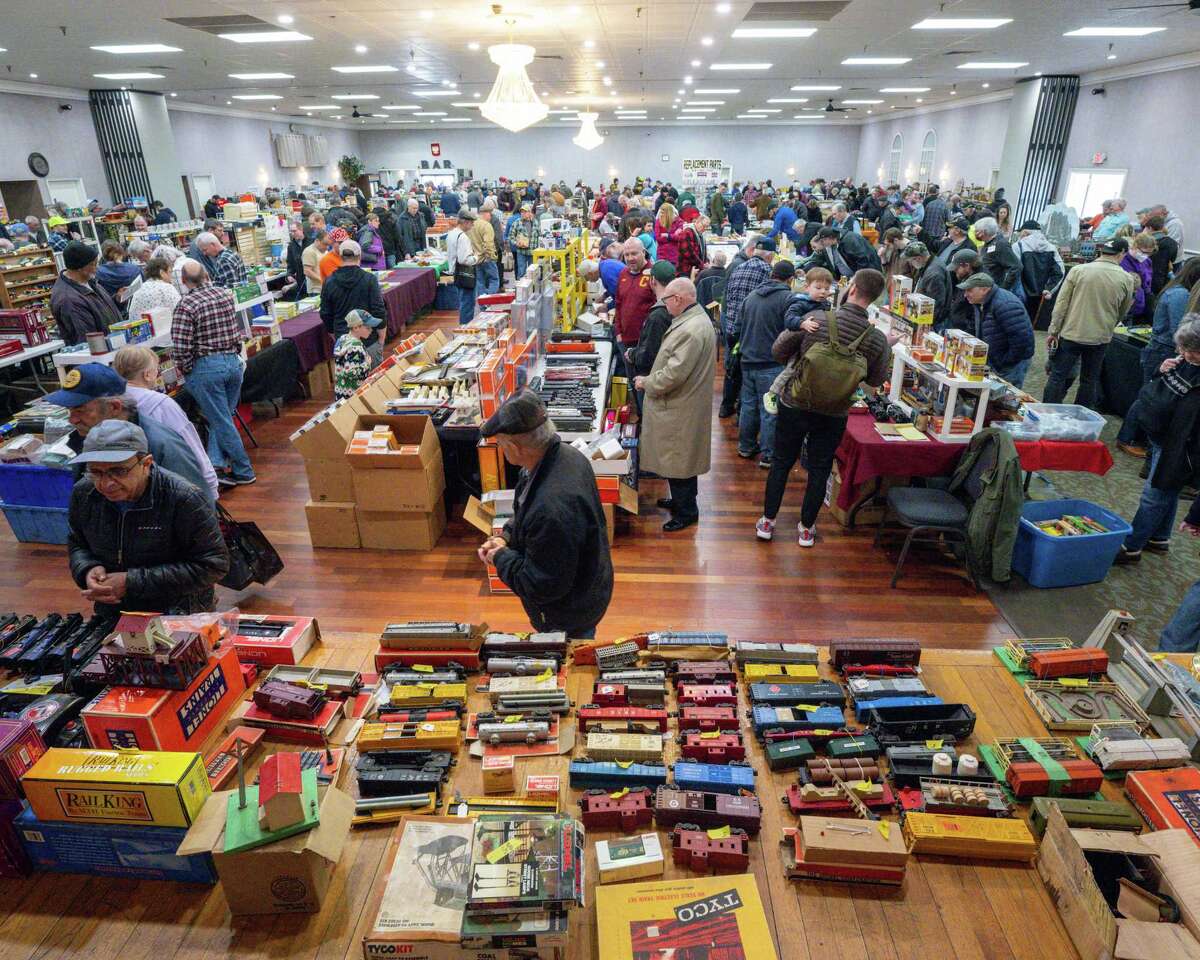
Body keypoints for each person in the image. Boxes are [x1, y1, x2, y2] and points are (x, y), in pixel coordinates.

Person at [757, 269, 893, 548]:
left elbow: (778, 350)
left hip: (795, 402)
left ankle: (768, 522)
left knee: (782, 462)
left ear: (852, 288)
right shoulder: (877, 338)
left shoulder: (815, 319)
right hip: (835, 411)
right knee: (819, 469)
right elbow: (876, 380)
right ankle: (806, 528)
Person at [476, 391, 613, 637]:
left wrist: (500, 558)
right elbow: (526, 509)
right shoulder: (563, 457)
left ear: (514, 446)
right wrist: (505, 537)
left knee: (569, 660)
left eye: (500, 443)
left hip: (568, 613)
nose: (500, 450)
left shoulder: (551, 507)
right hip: (588, 586)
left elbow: (540, 584)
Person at [67, 420, 228, 616]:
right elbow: (78, 544)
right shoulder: (84, 493)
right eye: (96, 472)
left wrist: (131, 582)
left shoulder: (184, 498)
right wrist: (87, 569)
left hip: (179, 612)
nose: (106, 483)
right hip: (114, 610)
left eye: (118, 471)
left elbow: (213, 565)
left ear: (146, 463)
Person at [50, 363, 212, 501]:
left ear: (114, 407)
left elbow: (197, 506)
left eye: (80, 410)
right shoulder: (85, 439)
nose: (72, 420)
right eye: (69, 411)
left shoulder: (160, 443)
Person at [1114, 317, 1200, 566]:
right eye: (1181, 349)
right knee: (1166, 490)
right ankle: (1159, 537)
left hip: (1180, 448)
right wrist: (1162, 369)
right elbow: (1161, 387)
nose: (1184, 354)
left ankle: (1130, 547)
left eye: (1190, 351)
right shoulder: (1186, 360)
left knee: (1154, 495)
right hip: (1164, 437)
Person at [635, 278, 717, 532]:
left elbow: (673, 374)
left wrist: (646, 382)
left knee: (678, 459)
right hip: (684, 404)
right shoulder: (693, 320)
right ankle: (683, 501)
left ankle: (686, 512)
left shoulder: (690, 330)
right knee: (680, 459)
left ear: (679, 299)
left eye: (666, 300)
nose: (664, 304)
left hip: (679, 406)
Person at [172, 260, 256, 487]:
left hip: (207, 368)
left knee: (221, 421)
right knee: (223, 418)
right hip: (233, 363)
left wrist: (187, 368)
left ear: (183, 281)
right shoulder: (225, 294)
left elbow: (181, 346)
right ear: (206, 275)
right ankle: (217, 464)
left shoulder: (186, 305)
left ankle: (244, 470)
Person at [1116, 258, 1200, 456]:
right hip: (1162, 351)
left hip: (1159, 348)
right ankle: (1127, 438)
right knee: (1149, 398)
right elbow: (1179, 330)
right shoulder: (1180, 295)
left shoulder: (1174, 290)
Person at [112, 345, 218, 501]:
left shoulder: (111, 404)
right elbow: (190, 443)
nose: (158, 374)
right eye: (156, 370)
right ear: (147, 375)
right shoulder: (161, 404)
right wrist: (211, 484)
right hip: (174, 486)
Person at [1044, 237, 1138, 409]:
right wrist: (1108, 325)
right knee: (1089, 380)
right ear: (1121, 253)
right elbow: (1123, 311)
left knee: (1058, 376)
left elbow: (1061, 304)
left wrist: (1053, 331)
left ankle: (1047, 413)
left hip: (1072, 332)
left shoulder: (1078, 271)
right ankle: (1079, 418)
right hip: (1100, 337)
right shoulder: (1126, 279)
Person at [738, 259, 796, 467]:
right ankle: (768, 455)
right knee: (769, 410)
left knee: (748, 406)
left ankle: (745, 447)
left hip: (747, 360)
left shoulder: (751, 296)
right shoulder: (788, 298)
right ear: (790, 279)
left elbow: (737, 327)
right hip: (771, 363)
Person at [723, 237, 777, 417]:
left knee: (732, 368)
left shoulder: (738, 267)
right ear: (770, 256)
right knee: (746, 375)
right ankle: (742, 412)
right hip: (750, 332)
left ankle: (726, 406)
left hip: (732, 327)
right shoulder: (767, 271)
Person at [957, 273, 1035, 387]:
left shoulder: (1005, 304)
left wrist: (1003, 361)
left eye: (969, 290)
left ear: (984, 289)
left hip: (1010, 365)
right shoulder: (981, 302)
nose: (965, 295)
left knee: (1006, 397)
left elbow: (1021, 340)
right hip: (997, 361)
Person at [320, 239, 386, 362]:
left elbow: (325, 313)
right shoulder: (369, 279)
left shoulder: (329, 281)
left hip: (344, 342)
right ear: (359, 256)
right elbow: (379, 310)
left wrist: (336, 335)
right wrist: (381, 338)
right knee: (374, 380)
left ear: (340, 256)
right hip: (369, 341)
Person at [625, 261, 676, 411]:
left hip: (651, 379)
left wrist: (632, 354)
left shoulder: (658, 315)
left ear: (652, 281)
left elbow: (649, 355)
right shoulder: (675, 306)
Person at [49, 241, 122, 345]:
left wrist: (117, 299)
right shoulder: (69, 300)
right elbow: (87, 340)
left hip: (112, 346)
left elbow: (98, 307)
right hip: (100, 353)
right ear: (80, 267)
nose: (97, 268)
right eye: (94, 264)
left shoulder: (89, 281)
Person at [615, 238, 657, 367]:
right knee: (632, 380)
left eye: (634, 253)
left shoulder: (654, 274)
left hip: (646, 343)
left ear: (643, 252)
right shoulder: (623, 274)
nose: (630, 258)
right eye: (627, 255)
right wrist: (618, 332)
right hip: (625, 340)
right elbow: (618, 304)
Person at [1013, 220, 1065, 324]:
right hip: (1040, 297)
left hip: (1020, 296)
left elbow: (1014, 271)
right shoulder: (1051, 248)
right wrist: (1049, 289)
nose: (1019, 235)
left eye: (1021, 232)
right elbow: (1059, 272)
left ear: (1026, 233)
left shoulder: (1018, 246)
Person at [333, 309, 383, 399]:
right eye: (368, 327)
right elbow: (352, 373)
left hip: (341, 392)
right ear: (356, 328)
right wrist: (367, 364)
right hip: (353, 395)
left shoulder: (343, 339)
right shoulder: (355, 347)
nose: (371, 330)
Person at [908, 241, 953, 328]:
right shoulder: (929, 264)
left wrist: (925, 325)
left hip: (934, 322)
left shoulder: (934, 273)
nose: (911, 264)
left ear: (918, 258)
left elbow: (936, 303)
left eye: (911, 261)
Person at [447, 210, 480, 325]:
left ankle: (463, 328)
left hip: (455, 273)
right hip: (465, 274)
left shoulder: (451, 233)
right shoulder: (463, 237)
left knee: (463, 302)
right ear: (465, 222)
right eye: (471, 222)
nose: (473, 225)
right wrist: (476, 257)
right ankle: (465, 331)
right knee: (467, 303)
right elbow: (464, 259)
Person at [126, 255, 181, 321]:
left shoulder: (139, 288)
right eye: (170, 272)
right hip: (162, 329)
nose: (171, 276)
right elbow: (179, 311)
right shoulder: (167, 288)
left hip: (140, 329)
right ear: (162, 273)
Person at [973, 217, 1020, 292]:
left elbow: (1016, 267)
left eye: (977, 231)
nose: (975, 233)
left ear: (983, 232)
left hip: (993, 289)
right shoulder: (988, 243)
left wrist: (1003, 288)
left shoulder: (1001, 244)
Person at [1121, 233, 1157, 321]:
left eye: (1150, 253)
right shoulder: (1123, 260)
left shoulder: (1147, 261)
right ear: (1135, 246)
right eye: (1144, 252)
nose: (1146, 255)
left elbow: (1148, 282)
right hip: (1129, 305)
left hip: (1143, 302)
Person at [469, 206, 499, 295]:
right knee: (494, 280)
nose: (491, 217)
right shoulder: (486, 225)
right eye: (490, 214)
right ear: (486, 214)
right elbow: (488, 244)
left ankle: (483, 303)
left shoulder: (472, 224)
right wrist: (493, 257)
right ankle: (488, 301)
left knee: (480, 282)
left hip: (476, 258)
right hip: (487, 258)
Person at [510, 204, 537, 280]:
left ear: (530, 212)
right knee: (521, 272)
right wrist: (516, 243)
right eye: (522, 212)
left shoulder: (535, 222)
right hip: (521, 252)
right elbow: (511, 236)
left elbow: (539, 235)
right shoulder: (517, 223)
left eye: (525, 212)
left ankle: (532, 289)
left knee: (533, 272)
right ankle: (521, 289)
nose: (523, 214)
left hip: (532, 252)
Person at [285, 220, 307, 301]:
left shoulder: (310, 242)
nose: (292, 233)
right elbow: (290, 264)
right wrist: (289, 275)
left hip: (313, 280)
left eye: (294, 231)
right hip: (301, 281)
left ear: (301, 230)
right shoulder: (291, 247)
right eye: (291, 232)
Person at [302, 228, 329, 295]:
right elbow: (307, 271)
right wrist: (323, 280)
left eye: (328, 244)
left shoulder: (324, 251)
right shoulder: (309, 251)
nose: (327, 247)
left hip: (325, 288)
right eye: (325, 244)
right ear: (317, 241)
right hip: (316, 290)